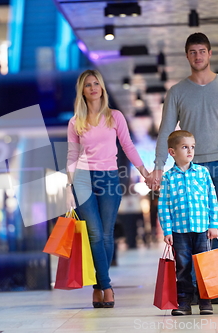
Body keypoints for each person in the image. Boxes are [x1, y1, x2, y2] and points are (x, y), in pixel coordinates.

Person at [146, 32, 218, 304]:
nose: (198, 56)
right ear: (187, 56)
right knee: (191, 230)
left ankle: (215, 286)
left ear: (209, 54)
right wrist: (158, 166)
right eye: (193, 51)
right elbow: (165, 130)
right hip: (190, 168)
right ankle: (194, 287)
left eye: (202, 51)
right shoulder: (178, 92)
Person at [65, 69, 149, 308]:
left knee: (105, 233)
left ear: (101, 87)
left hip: (109, 177)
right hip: (82, 178)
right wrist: (69, 184)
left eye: (96, 84)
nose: (93, 88)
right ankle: (106, 287)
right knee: (93, 232)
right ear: (82, 90)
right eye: (88, 85)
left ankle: (98, 286)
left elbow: (128, 146)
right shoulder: (75, 122)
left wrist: (144, 172)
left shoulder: (114, 117)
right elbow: (72, 154)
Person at [158, 130, 218, 316]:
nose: (190, 151)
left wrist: (213, 224)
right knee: (183, 266)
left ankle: (205, 300)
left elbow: (212, 198)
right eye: (185, 147)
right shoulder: (168, 178)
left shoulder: (202, 173)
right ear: (172, 152)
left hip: (202, 229)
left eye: (192, 147)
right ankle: (183, 302)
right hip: (179, 231)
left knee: (203, 265)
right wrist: (167, 230)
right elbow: (164, 206)